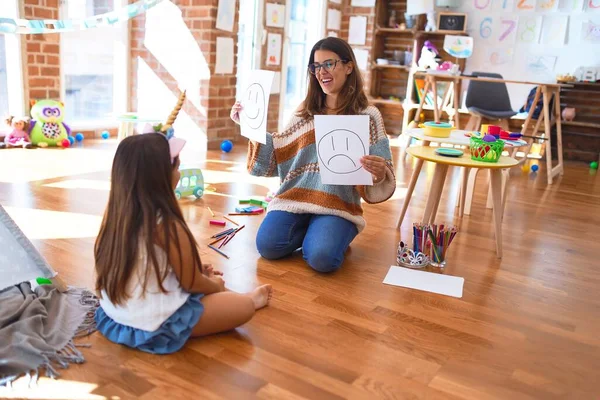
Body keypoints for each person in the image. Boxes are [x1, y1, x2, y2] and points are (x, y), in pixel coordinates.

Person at [94, 99, 272, 355]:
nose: (179, 172)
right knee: (241, 306)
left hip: (117, 312)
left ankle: (221, 292)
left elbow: (151, 263)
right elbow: (190, 283)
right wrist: (214, 286)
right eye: (177, 165)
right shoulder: (165, 222)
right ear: (163, 174)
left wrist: (198, 272)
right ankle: (246, 299)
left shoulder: (117, 215)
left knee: (208, 280)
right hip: (153, 322)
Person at [231, 37, 396, 273]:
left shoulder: (368, 116)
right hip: (296, 199)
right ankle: (316, 231)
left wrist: (380, 172)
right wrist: (249, 124)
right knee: (267, 247)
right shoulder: (304, 112)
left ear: (349, 67)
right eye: (316, 66)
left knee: (321, 259)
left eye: (329, 64)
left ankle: (329, 232)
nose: (321, 72)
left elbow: (384, 171)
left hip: (337, 205)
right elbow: (279, 152)